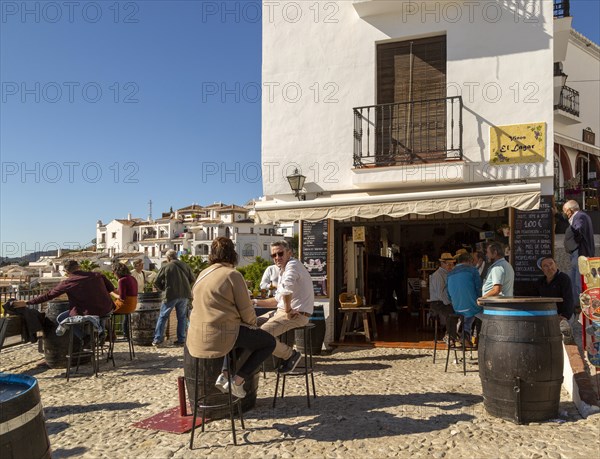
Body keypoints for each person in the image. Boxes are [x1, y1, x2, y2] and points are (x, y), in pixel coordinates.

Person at [186, 237, 276, 398]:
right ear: (232, 254)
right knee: (268, 342)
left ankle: (226, 374)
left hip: (197, 336)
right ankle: (238, 381)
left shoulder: (202, 273)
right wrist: (254, 324)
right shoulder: (232, 275)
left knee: (242, 337)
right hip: (221, 334)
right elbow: (246, 309)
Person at [14, 259, 114, 341]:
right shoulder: (98, 275)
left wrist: (27, 302)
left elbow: (49, 295)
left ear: (66, 272)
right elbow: (111, 289)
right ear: (79, 267)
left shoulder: (68, 282)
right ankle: (100, 332)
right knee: (98, 311)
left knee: (61, 318)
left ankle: (85, 338)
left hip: (89, 313)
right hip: (107, 310)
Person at [253, 240, 314, 374]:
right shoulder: (282, 270)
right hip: (282, 312)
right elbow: (277, 300)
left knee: (260, 336)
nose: (277, 258)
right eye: (273, 256)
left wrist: (287, 310)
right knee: (250, 326)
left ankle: (290, 356)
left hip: (297, 315)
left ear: (289, 253)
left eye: (280, 254)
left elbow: (287, 291)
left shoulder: (292, 266)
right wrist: (255, 302)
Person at [152, 249, 195, 347]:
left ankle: (157, 339)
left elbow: (156, 281)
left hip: (171, 294)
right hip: (184, 295)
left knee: (163, 317)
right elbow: (192, 279)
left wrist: (164, 288)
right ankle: (181, 339)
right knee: (182, 317)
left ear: (168, 257)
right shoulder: (185, 265)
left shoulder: (166, 266)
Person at [535, 256, 575, 344]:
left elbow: (569, 298)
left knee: (566, 340)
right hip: (549, 316)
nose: (549, 267)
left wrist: (564, 316)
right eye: (545, 266)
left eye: (551, 264)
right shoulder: (540, 282)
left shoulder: (564, 278)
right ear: (542, 269)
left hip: (563, 316)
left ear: (556, 264)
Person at [562, 200, 595, 301]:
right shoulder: (578, 216)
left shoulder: (579, 216)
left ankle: (579, 306)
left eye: (565, 211)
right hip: (576, 254)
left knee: (578, 282)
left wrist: (577, 238)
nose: (565, 214)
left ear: (570, 210)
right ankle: (575, 304)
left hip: (580, 253)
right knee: (573, 280)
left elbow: (578, 228)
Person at [447, 252, 483, 346]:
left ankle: (464, 335)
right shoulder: (472, 270)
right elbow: (479, 288)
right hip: (471, 307)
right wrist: (481, 300)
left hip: (457, 307)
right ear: (470, 261)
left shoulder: (450, 273)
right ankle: (485, 341)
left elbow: (448, 294)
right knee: (489, 316)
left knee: (469, 314)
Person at [110, 262, 138, 339]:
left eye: (113, 272)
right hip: (133, 305)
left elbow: (122, 297)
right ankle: (123, 334)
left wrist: (111, 293)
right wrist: (112, 290)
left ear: (117, 272)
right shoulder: (132, 278)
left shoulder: (122, 280)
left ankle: (111, 334)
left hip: (124, 305)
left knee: (105, 312)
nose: (113, 274)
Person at [429, 252, 455, 328]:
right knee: (451, 312)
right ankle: (451, 335)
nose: (450, 266)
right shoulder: (438, 275)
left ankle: (454, 333)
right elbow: (440, 295)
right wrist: (450, 302)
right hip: (438, 303)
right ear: (442, 264)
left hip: (444, 301)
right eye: (448, 264)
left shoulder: (448, 274)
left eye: (452, 264)